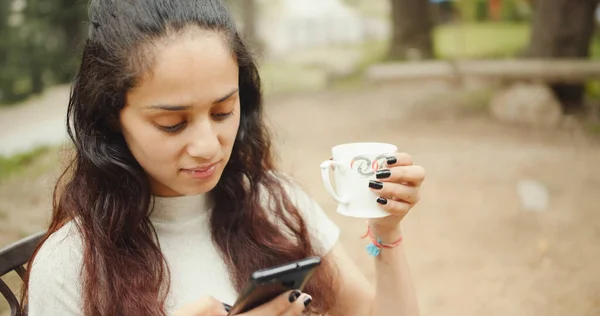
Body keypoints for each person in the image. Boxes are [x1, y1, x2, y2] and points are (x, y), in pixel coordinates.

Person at [21, 0, 426, 315]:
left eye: (222, 112)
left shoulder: (274, 205)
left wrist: (386, 232)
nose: (208, 146)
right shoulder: (70, 267)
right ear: (111, 115)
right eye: (172, 123)